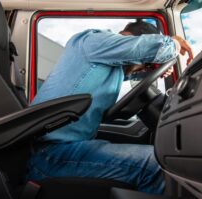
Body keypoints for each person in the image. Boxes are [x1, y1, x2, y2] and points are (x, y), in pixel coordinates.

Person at [27, 21, 193, 194]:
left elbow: (130, 69)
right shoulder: (92, 39)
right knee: (157, 165)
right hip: (49, 153)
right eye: (144, 62)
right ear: (129, 37)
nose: (141, 66)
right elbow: (144, 48)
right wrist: (172, 43)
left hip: (59, 147)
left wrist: (149, 69)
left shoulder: (106, 65)